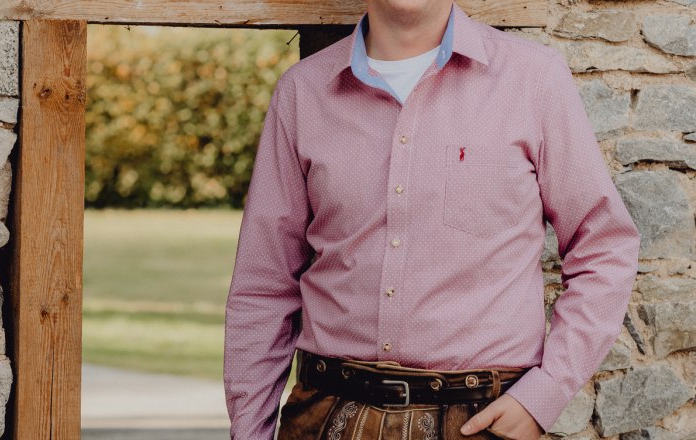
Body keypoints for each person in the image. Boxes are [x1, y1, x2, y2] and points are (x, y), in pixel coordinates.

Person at [223, 0, 641, 438]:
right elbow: (263, 284)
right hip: (326, 414)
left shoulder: (533, 78)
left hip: (479, 420)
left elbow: (604, 247)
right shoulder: (301, 93)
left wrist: (545, 392)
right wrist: (251, 430)